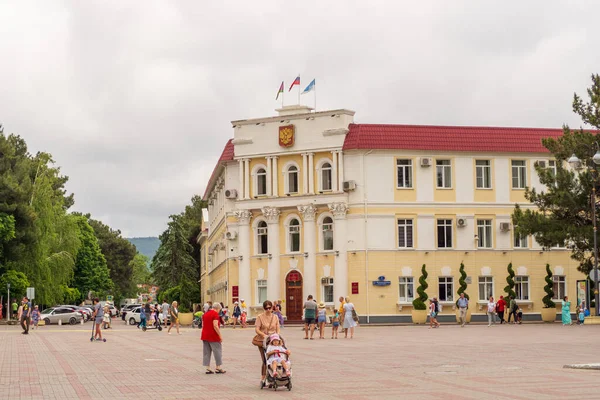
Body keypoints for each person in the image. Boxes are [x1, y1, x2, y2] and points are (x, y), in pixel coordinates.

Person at [254, 300, 280, 383]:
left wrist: (277, 336)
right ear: (264, 308)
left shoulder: (275, 317)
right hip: (263, 340)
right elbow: (257, 329)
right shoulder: (260, 317)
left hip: (273, 340)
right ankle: (263, 376)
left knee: (275, 357)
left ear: (272, 307)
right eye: (266, 308)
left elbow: (277, 328)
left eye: (270, 308)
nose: (268, 310)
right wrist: (263, 335)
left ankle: (274, 374)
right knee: (265, 359)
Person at [202, 302, 225, 374]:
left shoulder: (205, 314)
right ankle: (218, 367)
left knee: (206, 352)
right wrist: (220, 335)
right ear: (217, 308)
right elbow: (215, 325)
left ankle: (208, 367)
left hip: (205, 335)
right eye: (219, 310)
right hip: (213, 335)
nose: (219, 311)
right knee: (217, 351)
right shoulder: (215, 314)